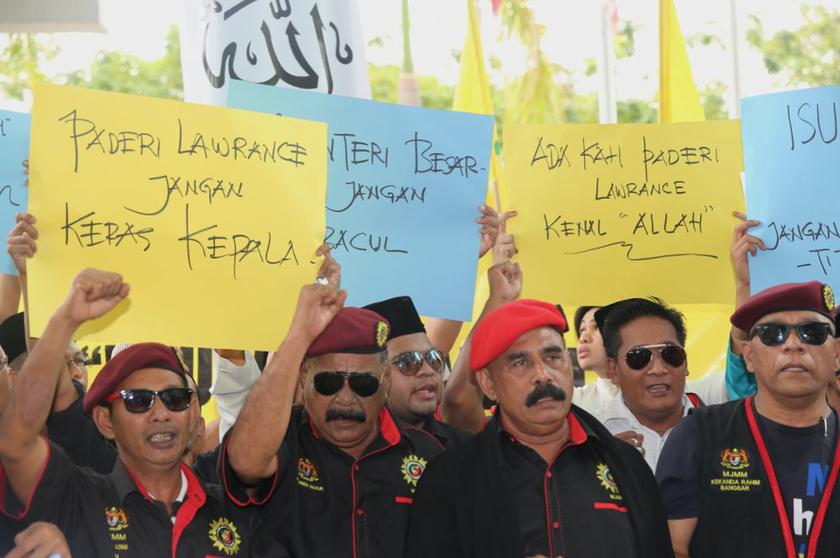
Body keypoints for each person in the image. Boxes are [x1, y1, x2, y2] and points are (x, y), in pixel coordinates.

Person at [0, 268, 284, 557]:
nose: (160, 413)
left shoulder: (235, 514)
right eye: (138, 400)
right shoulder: (80, 500)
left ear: (194, 415)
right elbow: (17, 439)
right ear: (105, 421)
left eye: (175, 398)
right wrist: (64, 320)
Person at [406, 299, 672, 558]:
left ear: (569, 367)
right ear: (488, 383)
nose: (543, 374)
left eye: (553, 357)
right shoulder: (450, 478)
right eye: (520, 362)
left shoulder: (627, 466)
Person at [222, 250, 446, 557]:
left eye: (363, 383)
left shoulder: (429, 455)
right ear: (304, 378)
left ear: (385, 381)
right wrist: (299, 336)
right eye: (328, 382)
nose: (345, 397)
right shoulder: (284, 442)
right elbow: (246, 461)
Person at [657, 281, 840, 558]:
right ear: (748, 356)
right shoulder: (700, 433)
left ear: (836, 355)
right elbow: (671, 547)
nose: (793, 345)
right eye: (772, 334)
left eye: (812, 333)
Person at [596, 298, 701, 470]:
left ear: (686, 363)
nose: (658, 369)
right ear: (613, 370)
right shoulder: (593, 439)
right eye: (639, 357)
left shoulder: (720, 434)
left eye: (670, 354)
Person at [363, 295, 469, 447]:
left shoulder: (464, 448)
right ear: (373, 374)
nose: (427, 370)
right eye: (408, 361)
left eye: (434, 358)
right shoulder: (351, 449)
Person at [572, 306, 618, 414]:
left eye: (596, 327)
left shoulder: (650, 393)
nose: (583, 338)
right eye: (582, 330)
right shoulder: (575, 401)